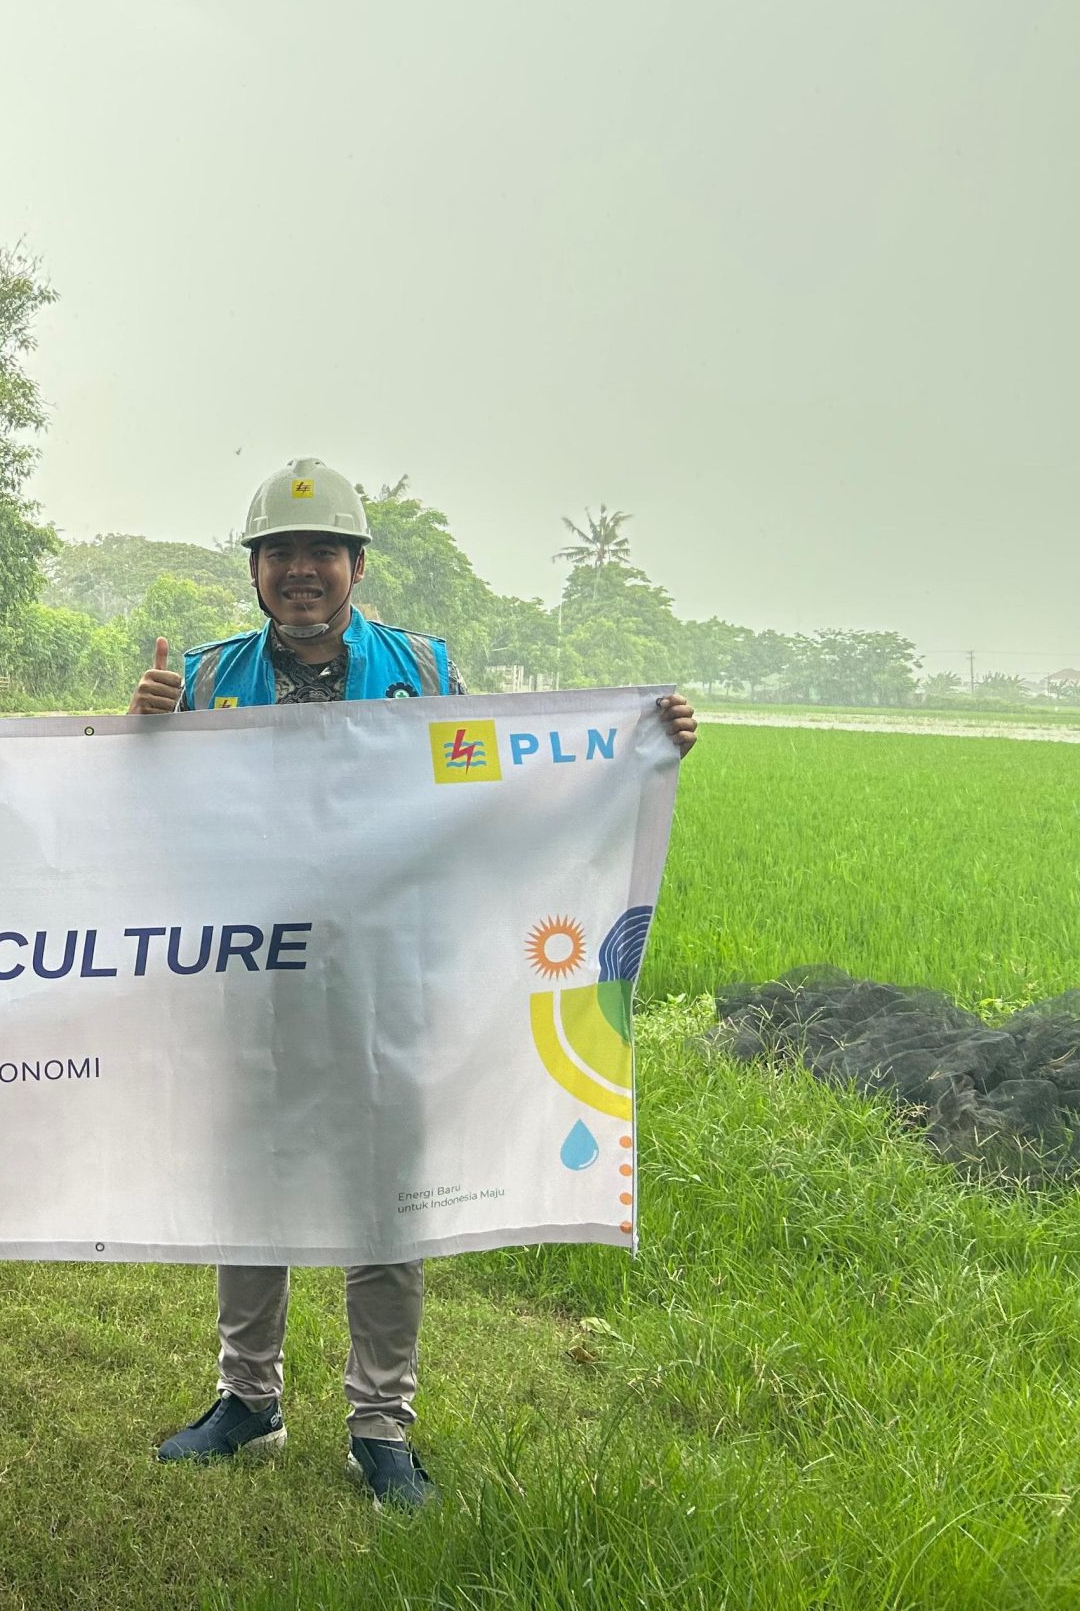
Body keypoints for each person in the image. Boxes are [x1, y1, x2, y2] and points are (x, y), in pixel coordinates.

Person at [131, 460, 697, 1510]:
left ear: (356, 566)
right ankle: (247, 1398)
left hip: (389, 978)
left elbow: (494, 785)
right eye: (279, 553)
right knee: (249, 1189)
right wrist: (142, 733)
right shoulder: (206, 681)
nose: (301, 571)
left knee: (384, 1198)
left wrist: (636, 750)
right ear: (254, 572)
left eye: (321, 552)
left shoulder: (425, 671)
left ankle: (379, 1425)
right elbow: (147, 818)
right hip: (255, 979)